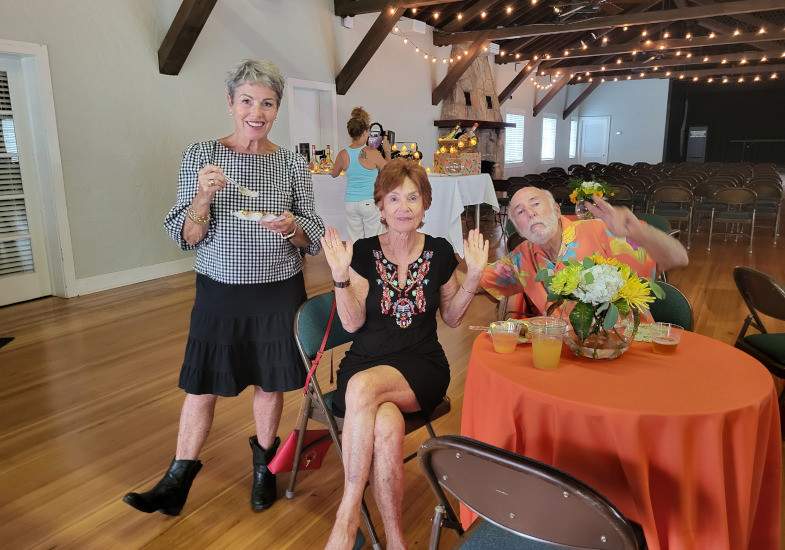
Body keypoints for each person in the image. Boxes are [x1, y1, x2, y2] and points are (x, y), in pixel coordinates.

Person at [122, 59, 325, 516]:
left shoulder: (291, 163)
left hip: (278, 290)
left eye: (268, 103)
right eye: (248, 101)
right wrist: (203, 195)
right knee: (202, 385)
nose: (257, 111)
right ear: (231, 104)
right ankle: (178, 477)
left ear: (277, 109)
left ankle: (263, 468)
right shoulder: (200, 157)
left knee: (270, 384)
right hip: (219, 290)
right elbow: (185, 236)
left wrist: (292, 227)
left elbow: (312, 234)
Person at [320, 159, 489, 550]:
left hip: (422, 366)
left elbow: (451, 316)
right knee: (386, 426)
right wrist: (340, 277)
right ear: (380, 206)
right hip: (365, 360)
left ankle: (347, 518)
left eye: (413, 198)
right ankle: (396, 540)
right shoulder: (361, 253)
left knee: (362, 388)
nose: (403, 207)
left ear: (425, 205)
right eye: (393, 198)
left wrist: (475, 276)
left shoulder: (440, 251)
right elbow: (351, 323)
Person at [482, 186, 689, 314]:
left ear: (555, 209)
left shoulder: (600, 231)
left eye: (536, 203)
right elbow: (479, 281)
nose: (530, 213)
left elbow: (678, 257)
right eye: (520, 212)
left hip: (621, 347)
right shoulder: (521, 258)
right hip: (564, 355)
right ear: (517, 227)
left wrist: (636, 232)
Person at [330, 107, 390, 241]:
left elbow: (334, 174)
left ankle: (357, 261)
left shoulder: (343, 154)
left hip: (350, 203)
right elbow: (388, 170)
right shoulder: (372, 152)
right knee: (373, 239)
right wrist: (387, 151)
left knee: (355, 240)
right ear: (364, 132)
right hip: (368, 202)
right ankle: (371, 262)